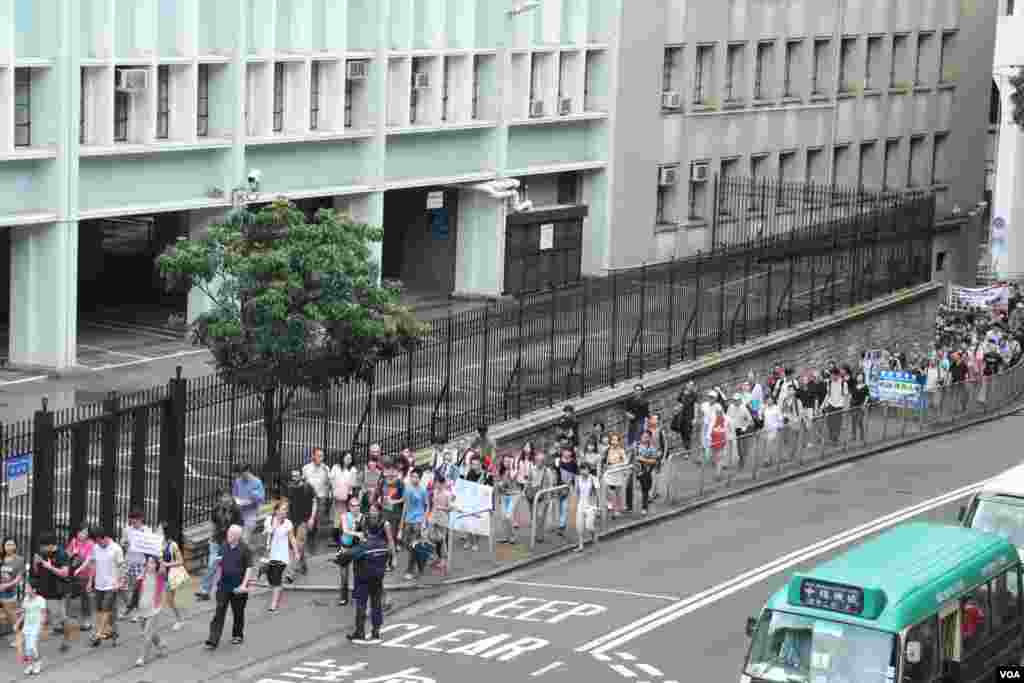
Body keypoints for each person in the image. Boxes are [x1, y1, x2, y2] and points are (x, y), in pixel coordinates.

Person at [204, 525, 255, 649]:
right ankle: (213, 640)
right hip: (224, 585)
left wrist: (244, 585)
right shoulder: (224, 546)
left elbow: (249, 568)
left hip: (238, 587)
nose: (228, 536)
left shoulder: (245, 549)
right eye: (228, 533)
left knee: (238, 611)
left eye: (231, 535)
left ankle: (237, 634)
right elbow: (219, 564)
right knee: (219, 611)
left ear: (237, 537)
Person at [346, 511, 391, 643]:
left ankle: (360, 632)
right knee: (376, 604)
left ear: (366, 529)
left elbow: (345, 557)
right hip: (377, 579)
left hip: (363, 578)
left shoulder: (363, 546)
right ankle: (376, 631)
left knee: (361, 604)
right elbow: (387, 558)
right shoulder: (383, 545)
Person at [74, 528, 123, 647]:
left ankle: (98, 634)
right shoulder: (96, 547)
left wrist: (119, 582)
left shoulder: (116, 549)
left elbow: (121, 566)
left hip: (111, 585)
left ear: (105, 538)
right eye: (96, 541)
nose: (98, 544)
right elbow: (92, 563)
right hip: (99, 585)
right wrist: (88, 579)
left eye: (99, 541)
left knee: (105, 609)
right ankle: (113, 633)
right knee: (103, 611)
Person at [197, 491, 242, 601]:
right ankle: (205, 590)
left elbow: (238, 527)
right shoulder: (217, 508)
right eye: (223, 501)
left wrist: (234, 541)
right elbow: (212, 523)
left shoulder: (236, 510)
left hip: (228, 542)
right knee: (212, 564)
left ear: (231, 500)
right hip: (216, 540)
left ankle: (230, 589)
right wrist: (211, 536)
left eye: (227, 502)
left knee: (229, 567)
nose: (225, 504)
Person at [32, 531, 72, 653]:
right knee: (38, 617)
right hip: (42, 591)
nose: (41, 549)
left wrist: (49, 567)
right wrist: (35, 563)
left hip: (56, 593)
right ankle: (34, 641)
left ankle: (67, 640)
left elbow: (65, 573)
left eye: (43, 546)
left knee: (61, 618)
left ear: (50, 545)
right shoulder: (42, 553)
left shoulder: (61, 554)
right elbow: (36, 572)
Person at [129, 555, 168, 667]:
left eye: (152, 562)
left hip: (154, 609)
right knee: (151, 632)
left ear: (156, 565)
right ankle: (161, 644)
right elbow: (136, 588)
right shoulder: (143, 574)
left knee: (146, 634)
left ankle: (142, 657)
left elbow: (163, 571)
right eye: (148, 562)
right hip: (142, 608)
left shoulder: (159, 575)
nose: (149, 564)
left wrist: (161, 561)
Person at [263, 499, 296, 613]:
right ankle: (276, 589)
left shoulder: (288, 523)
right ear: (276, 511)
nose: (285, 511)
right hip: (270, 555)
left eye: (286, 509)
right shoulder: (268, 520)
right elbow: (269, 532)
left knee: (277, 578)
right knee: (271, 578)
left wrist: (296, 552)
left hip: (282, 556)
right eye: (283, 509)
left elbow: (292, 538)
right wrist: (275, 524)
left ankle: (274, 603)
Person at [119, 509, 150, 622]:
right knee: (121, 586)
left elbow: (151, 546)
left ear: (141, 519)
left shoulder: (146, 531)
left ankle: (138, 611)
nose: (133, 522)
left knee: (138, 588)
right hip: (128, 561)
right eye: (131, 520)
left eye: (135, 520)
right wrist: (124, 543)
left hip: (140, 562)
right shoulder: (127, 530)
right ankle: (129, 606)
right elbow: (122, 542)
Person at [398, 469, 429, 580]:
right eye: (412, 476)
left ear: (420, 479)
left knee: (413, 545)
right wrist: (401, 527)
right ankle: (420, 559)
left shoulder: (423, 491)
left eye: (416, 477)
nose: (413, 479)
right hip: (408, 520)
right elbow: (405, 507)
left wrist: (424, 522)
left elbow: (427, 506)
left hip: (418, 521)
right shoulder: (407, 489)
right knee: (406, 543)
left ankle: (410, 570)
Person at [285, 470, 316, 578]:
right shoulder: (289, 488)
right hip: (291, 520)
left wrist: (312, 518)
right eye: (293, 476)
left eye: (296, 476)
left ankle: (291, 572)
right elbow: (287, 503)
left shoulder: (308, 487)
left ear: (301, 476)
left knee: (297, 545)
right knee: (295, 546)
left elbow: (314, 502)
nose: (294, 478)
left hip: (304, 520)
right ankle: (303, 564)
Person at [301, 448, 331, 557]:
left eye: (322, 456)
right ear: (313, 456)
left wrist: (327, 472)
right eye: (318, 456)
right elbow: (303, 482)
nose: (320, 458)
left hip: (321, 498)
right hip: (308, 499)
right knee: (308, 522)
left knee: (317, 522)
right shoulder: (306, 468)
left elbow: (329, 483)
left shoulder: (326, 468)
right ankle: (307, 546)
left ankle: (313, 546)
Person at [157, 522, 187, 630]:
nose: (157, 531)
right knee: (161, 599)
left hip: (171, 575)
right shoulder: (159, 543)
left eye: (159, 529)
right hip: (162, 575)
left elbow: (181, 561)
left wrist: (166, 564)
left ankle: (179, 620)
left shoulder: (172, 545)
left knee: (170, 600)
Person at [337, 495, 365, 606]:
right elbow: (345, 530)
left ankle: (356, 594)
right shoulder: (344, 516)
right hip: (345, 547)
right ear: (349, 507)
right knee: (344, 574)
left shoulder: (363, 517)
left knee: (358, 572)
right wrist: (357, 533)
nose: (356, 508)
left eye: (357, 505)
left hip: (357, 547)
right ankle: (343, 597)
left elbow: (365, 533)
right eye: (353, 506)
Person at [65, 526, 94, 632]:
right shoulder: (73, 542)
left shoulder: (90, 544)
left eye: (86, 532)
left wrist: (80, 558)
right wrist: (73, 553)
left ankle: (87, 620)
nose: (84, 534)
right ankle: (68, 619)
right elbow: (67, 554)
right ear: (77, 533)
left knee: (85, 597)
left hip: (85, 574)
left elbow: (89, 560)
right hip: (73, 573)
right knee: (69, 595)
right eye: (82, 532)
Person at [232, 464, 266, 546]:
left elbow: (261, 499)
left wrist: (254, 495)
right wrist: (236, 501)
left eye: (241, 474)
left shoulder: (257, 482)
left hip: (251, 513)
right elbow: (234, 495)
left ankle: (243, 556)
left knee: (245, 538)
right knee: (236, 538)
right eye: (239, 475)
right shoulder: (238, 481)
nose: (241, 477)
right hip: (239, 513)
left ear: (247, 471)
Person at [17, 580, 46, 676]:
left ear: (34, 589)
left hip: (36, 626)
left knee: (32, 647)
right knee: (27, 648)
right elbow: (24, 613)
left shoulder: (41, 600)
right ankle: (30, 666)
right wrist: (17, 623)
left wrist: (41, 627)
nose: (26, 589)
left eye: (27, 588)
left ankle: (37, 664)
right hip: (27, 626)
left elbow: (43, 614)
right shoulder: (26, 599)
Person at [0, 536, 24, 646]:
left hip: (8, 591)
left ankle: (20, 637)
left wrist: (6, 585)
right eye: (7, 544)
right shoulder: (1, 559)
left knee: (11, 615)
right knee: (7, 614)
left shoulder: (19, 560)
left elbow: (19, 578)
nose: (9, 547)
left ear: (15, 546)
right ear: (3, 546)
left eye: (11, 544)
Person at [574, 462, 600, 552]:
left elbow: (597, 494)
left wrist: (598, 507)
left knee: (589, 526)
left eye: (585, 469)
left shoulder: (593, 479)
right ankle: (581, 545)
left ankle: (594, 535)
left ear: (589, 470)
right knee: (579, 526)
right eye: (582, 469)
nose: (583, 471)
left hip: (591, 505)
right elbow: (576, 492)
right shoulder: (578, 479)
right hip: (581, 504)